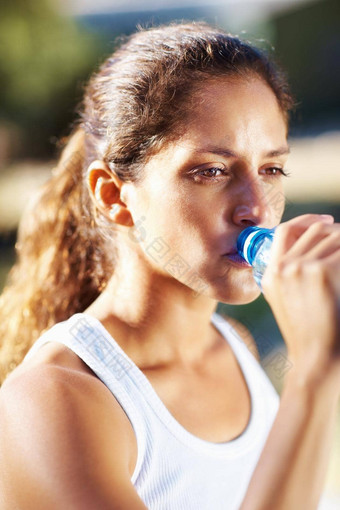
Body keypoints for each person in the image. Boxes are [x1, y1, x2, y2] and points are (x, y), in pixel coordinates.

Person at [0, 22, 339, 510]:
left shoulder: (235, 349)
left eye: (270, 169)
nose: (256, 209)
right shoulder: (53, 401)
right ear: (115, 196)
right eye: (212, 171)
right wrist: (314, 372)